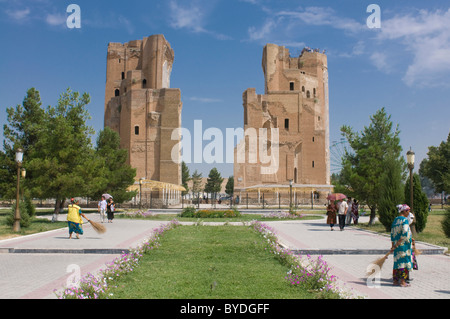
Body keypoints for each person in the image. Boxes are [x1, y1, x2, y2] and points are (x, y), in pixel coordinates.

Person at [390, 204, 413, 287]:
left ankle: (395, 281)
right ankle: (403, 282)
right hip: (403, 246)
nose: (409, 212)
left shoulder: (395, 220)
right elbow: (405, 233)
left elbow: (392, 234)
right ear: (404, 211)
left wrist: (393, 245)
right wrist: (399, 242)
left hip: (396, 246)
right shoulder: (404, 220)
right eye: (408, 211)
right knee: (403, 263)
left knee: (396, 262)